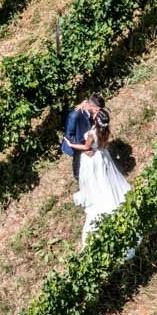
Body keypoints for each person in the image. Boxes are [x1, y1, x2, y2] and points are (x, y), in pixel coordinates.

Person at [63, 108, 132, 250]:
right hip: (102, 155)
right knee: (104, 178)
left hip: (93, 159)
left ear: (96, 119)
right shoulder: (105, 131)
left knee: (93, 180)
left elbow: (86, 146)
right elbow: (101, 145)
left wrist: (71, 145)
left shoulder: (92, 133)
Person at [60, 93, 104, 183]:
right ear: (91, 106)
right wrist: (84, 149)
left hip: (87, 141)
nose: (99, 112)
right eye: (98, 109)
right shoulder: (74, 116)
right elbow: (69, 136)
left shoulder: (91, 110)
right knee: (79, 169)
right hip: (77, 145)